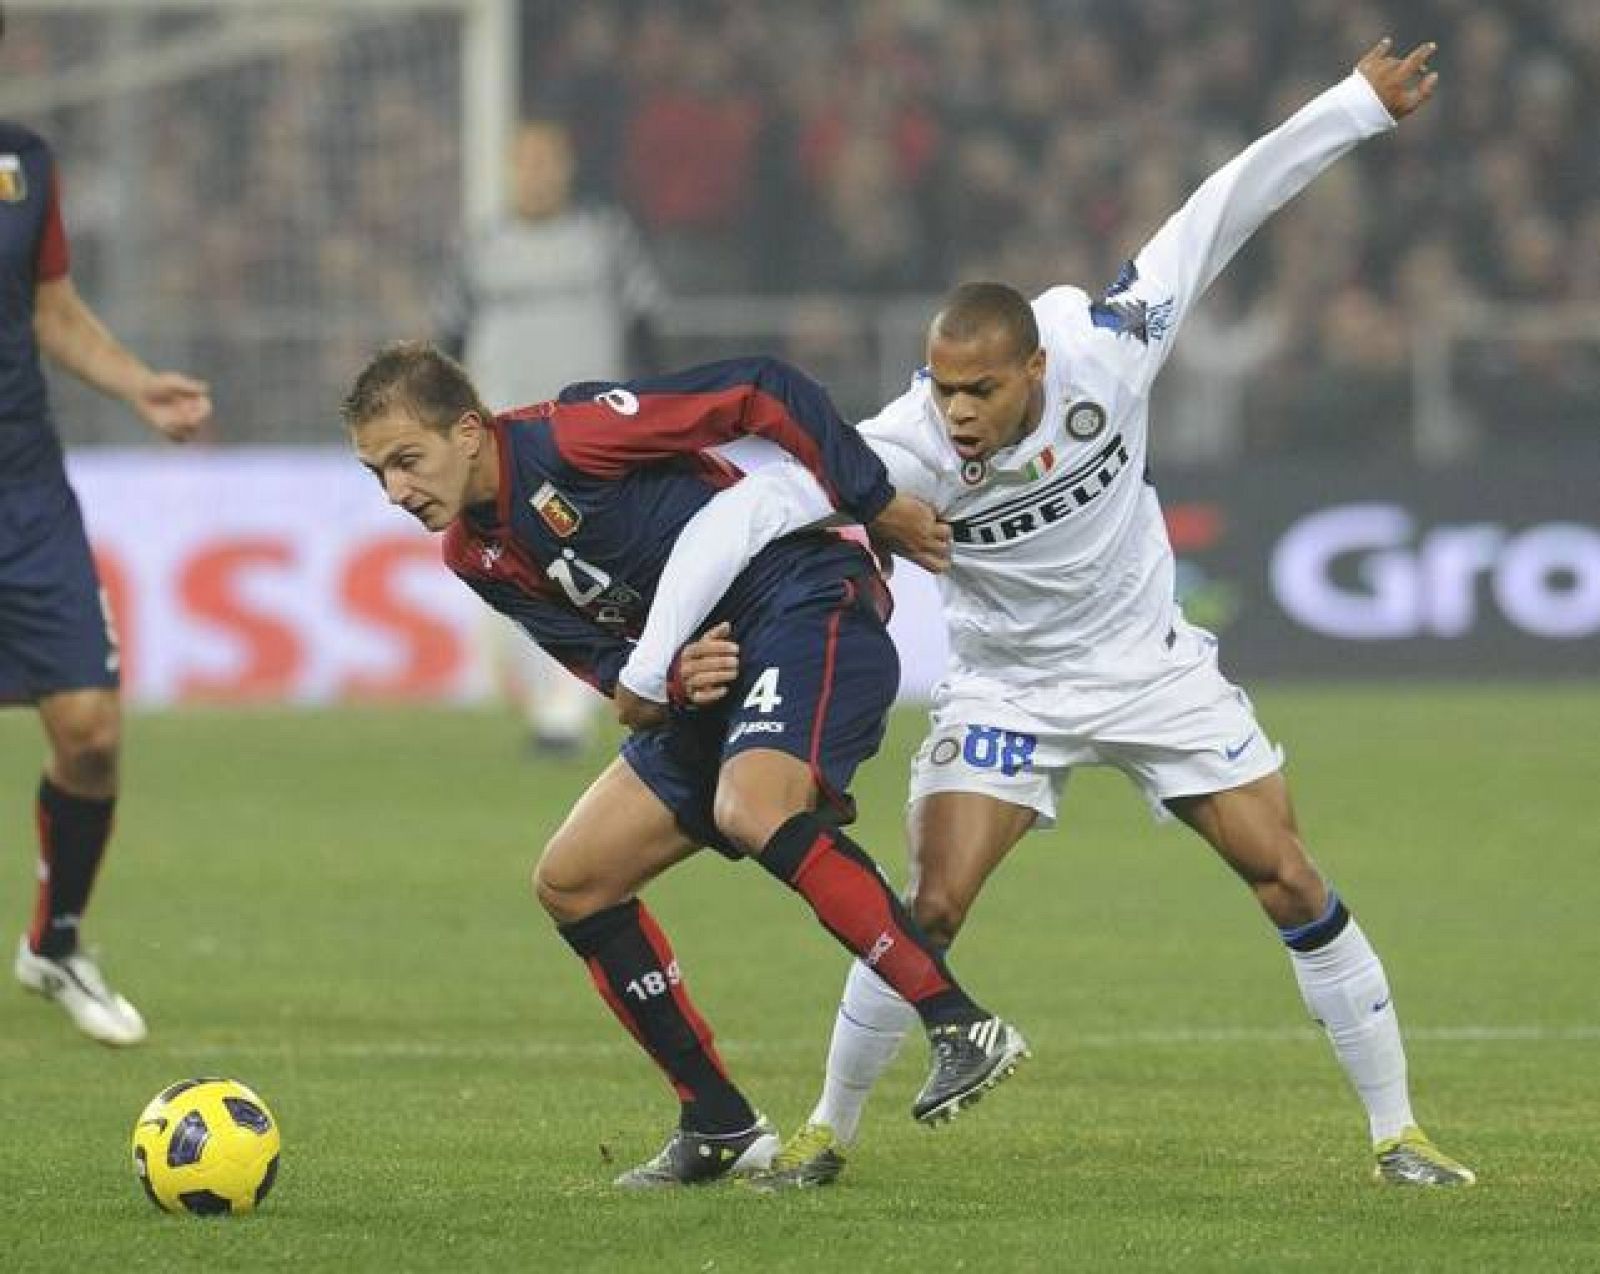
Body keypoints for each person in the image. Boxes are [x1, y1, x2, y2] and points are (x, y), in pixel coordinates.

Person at [620, 39, 1475, 1189]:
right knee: (929, 902)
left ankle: (1398, 1133)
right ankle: (825, 1132)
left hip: (1151, 667)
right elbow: (762, 503)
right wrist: (829, 539)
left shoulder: (1110, 345)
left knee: (1287, 875)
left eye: (978, 388)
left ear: (1031, 365)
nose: (955, 411)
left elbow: (1223, 205)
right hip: (1007, 682)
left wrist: (1353, 109)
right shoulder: (901, 445)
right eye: (941, 386)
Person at [340, 344, 1027, 1188]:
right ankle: (719, 1122)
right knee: (573, 879)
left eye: (407, 460)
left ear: (471, 432)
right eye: (378, 474)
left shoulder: (574, 438)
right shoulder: (472, 556)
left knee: (754, 806)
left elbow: (761, 386)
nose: (397, 491)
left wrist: (870, 498)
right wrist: (662, 681)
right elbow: (602, 663)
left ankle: (957, 1021)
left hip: (798, 600)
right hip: (707, 675)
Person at [3, 4, 213, 1046]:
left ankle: (56, 940)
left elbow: (52, 311)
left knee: (89, 733)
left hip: (23, 491)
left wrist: (137, 385)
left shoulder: (23, 164)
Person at [436, 118, 665, 756]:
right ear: (510, 169)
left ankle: (571, 707)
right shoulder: (477, 248)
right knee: (505, 573)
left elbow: (646, 324)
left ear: (566, 167)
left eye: (547, 160)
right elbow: (449, 342)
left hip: (587, 433)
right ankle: (547, 701)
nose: (535, 173)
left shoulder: (606, 238)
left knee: (593, 567)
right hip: (500, 438)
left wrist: (648, 417)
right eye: (524, 161)